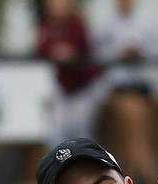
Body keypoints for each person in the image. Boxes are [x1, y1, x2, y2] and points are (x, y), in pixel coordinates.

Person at [94, 0, 158, 184]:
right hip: (122, 88)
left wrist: (140, 52)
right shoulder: (106, 25)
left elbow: (157, 51)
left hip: (142, 87)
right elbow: (98, 55)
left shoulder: (146, 23)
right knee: (137, 142)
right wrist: (119, 53)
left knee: (134, 143)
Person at [36, 0, 108, 149]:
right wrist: (55, 52)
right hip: (64, 87)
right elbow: (40, 50)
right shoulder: (47, 25)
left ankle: (86, 170)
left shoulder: (78, 23)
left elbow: (86, 50)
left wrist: (70, 53)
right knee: (56, 133)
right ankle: (60, 170)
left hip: (85, 86)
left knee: (81, 133)